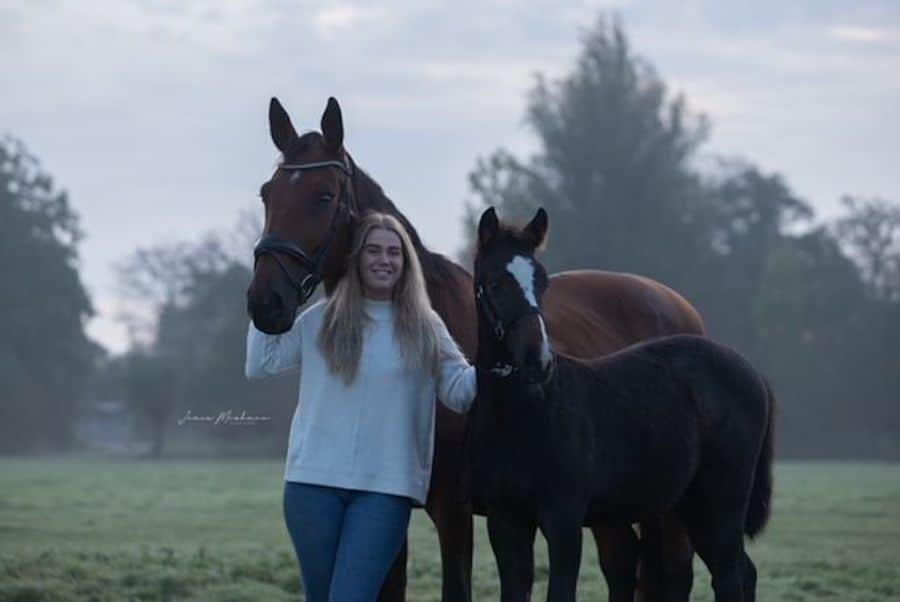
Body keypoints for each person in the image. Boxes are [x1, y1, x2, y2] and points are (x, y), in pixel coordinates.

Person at [245, 211, 476, 601]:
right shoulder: (321, 319)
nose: (384, 260)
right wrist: (261, 300)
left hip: (384, 490)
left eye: (394, 252)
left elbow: (460, 390)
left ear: (406, 264)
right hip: (311, 487)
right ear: (356, 259)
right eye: (373, 251)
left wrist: (505, 363)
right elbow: (260, 364)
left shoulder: (425, 326)